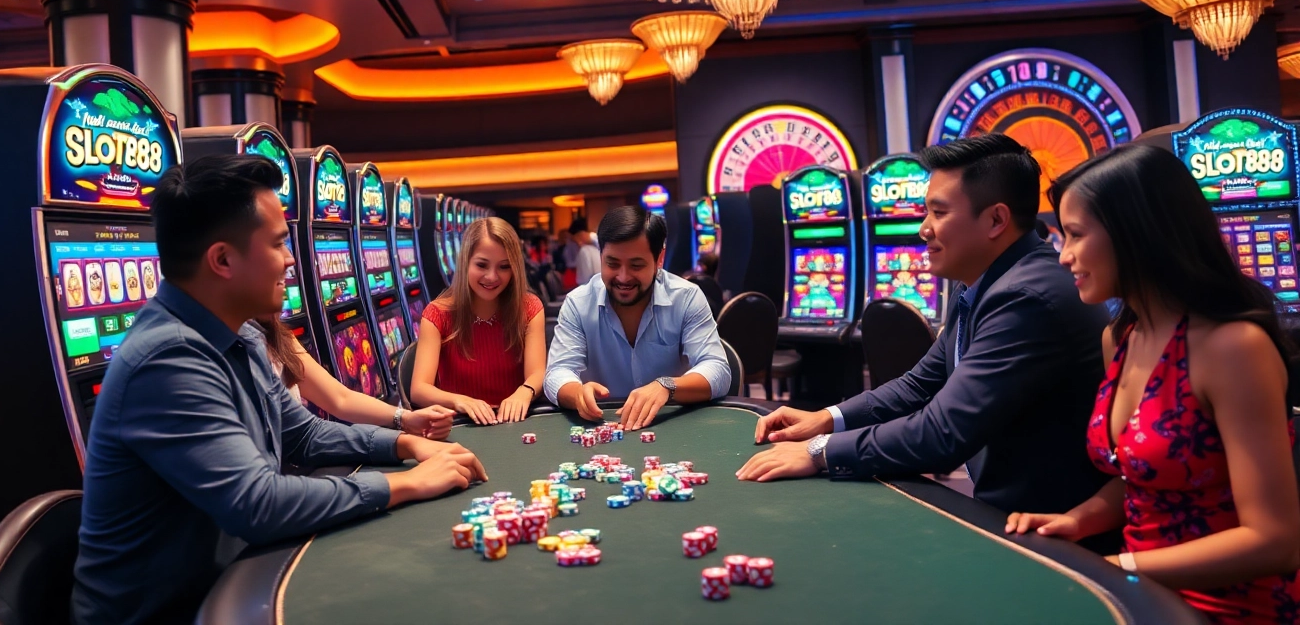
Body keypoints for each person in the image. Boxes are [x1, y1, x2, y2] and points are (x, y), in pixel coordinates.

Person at [72, 155, 487, 625]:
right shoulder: (168, 360)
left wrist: (404, 444)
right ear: (222, 260)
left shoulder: (241, 332)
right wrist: (408, 483)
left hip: (232, 579)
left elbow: (303, 435)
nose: (292, 259)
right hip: (170, 613)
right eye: (277, 243)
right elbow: (258, 505)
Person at [737, 134, 1109, 517]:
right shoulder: (986, 281)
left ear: (996, 220)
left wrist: (820, 452)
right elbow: (918, 385)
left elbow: (942, 432)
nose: (923, 229)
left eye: (939, 213)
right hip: (1011, 514)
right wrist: (825, 419)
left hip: (1050, 531)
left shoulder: (1026, 296)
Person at [1005, 145, 1300, 622]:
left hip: (1231, 608)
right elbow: (1142, 477)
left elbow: (1275, 541)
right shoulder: (1120, 337)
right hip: (1143, 596)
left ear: (1135, 233)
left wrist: (1116, 569)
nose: (1064, 255)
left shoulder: (1233, 347)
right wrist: (1078, 521)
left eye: (1075, 234)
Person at [544, 206, 730, 430]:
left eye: (636, 265)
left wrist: (667, 386)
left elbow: (717, 369)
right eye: (612, 264)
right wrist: (577, 393)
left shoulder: (686, 297)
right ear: (600, 256)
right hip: (601, 426)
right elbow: (557, 373)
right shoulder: (578, 303)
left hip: (671, 425)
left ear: (659, 259)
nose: (623, 277)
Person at [411, 217, 546, 425]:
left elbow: (537, 373)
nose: (492, 276)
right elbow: (419, 390)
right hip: (460, 424)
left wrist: (524, 391)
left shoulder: (529, 308)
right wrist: (459, 401)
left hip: (515, 422)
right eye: (482, 265)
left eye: (504, 267)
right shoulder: (437, 313)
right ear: (465, 262)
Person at [255, 316, 453, 438]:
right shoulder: (240, 356)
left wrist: (405, 418)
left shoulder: (279, 338)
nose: (289, 262)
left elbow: (340, 398)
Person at [570, 217, 600, 286]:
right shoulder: (594, 245)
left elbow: (584, 279)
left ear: (581, 234)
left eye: (576, 239)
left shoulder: (585, 251)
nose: (578, 243)